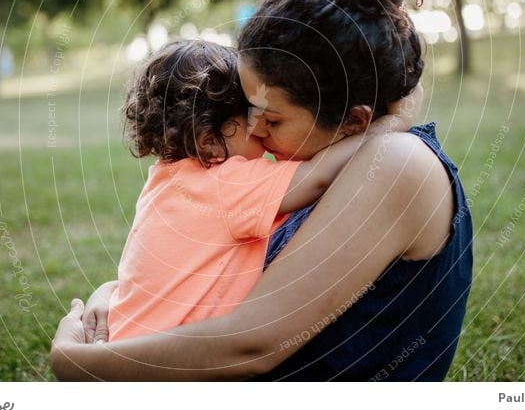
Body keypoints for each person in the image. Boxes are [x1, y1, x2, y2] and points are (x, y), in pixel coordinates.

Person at [51, 0, 472, 381]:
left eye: (272, 119)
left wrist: (75, 362)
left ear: (354, 122)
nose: (255, 131)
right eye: (249, 110)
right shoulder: (323, 166)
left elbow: (252, 343)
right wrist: (116, 295)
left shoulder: (393, 161)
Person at [106, 39, 409, 341]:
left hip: (128, 343)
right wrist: (390, 124)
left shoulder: (164, 179)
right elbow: (317, 177)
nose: (262, 129)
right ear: (208, 139)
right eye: (252, 117)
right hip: (170, 364)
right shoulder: (225, 181)